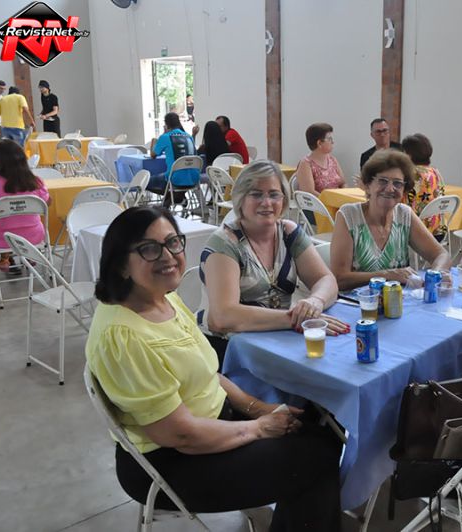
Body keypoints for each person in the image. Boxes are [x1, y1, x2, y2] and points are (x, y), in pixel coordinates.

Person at [85, 206, 342, 531]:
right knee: (317, 459)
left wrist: (260, 408)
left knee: (316, 427)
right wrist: (259, 427)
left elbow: (208, 375)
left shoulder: (162, 299)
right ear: (121, 264)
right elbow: (180, 434)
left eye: (172, 242)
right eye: (149, 249)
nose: (168, 256)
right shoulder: (124, 336)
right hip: (173, 460)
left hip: (210, 428)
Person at [199, 160, 348, 358]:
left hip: (275, 338)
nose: (267, 202)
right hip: (226, 349)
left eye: (274, 194)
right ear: (240, 198)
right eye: (256, 194)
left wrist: (315, 301)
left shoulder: (288, 232)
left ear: (284, 199)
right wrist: (295, 318)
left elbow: (326, 279)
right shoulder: (224, 243)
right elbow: (222, 317)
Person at [331, 149, 452, 291]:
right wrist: (387, 275)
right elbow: (339, 278)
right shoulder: (349, 216)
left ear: (404, 190)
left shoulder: (404, 215)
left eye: (398, 183)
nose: (390, 189)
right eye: (382, 181)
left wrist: (435, 275)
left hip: (398, 301)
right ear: (368, 186)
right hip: (358, 302)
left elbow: (441, 255)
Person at [0, 140, 51, 273]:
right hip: (34, 236)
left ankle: (5, 258)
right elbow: (47, 203)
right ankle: (30, 255)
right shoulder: (35, 181)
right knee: (25, 222)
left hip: (3, 239)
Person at [401, 133, 447, 240]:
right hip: (437, 232)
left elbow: (399, 202)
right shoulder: (435, 172)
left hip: (417, 233)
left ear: (409, 155)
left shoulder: (411, 174)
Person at [149, 112, 199, 206]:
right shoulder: (189, 136)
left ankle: (173, 199)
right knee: (174, 180)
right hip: (193, 178)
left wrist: (156, 140)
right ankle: (176, 199)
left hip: (174, 179)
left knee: (146, 182)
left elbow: (153, 155)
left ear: (166, 124)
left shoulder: (165, 137)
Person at [294, 122, 346, 200]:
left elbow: (343, 183)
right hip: (319, 205)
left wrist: (344, 197)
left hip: (337, 202)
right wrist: (331, 201)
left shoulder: (333, 160)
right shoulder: (305, 164)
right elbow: (309, 192)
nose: (332, 142)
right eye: (329, 139)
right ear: (319, 143)